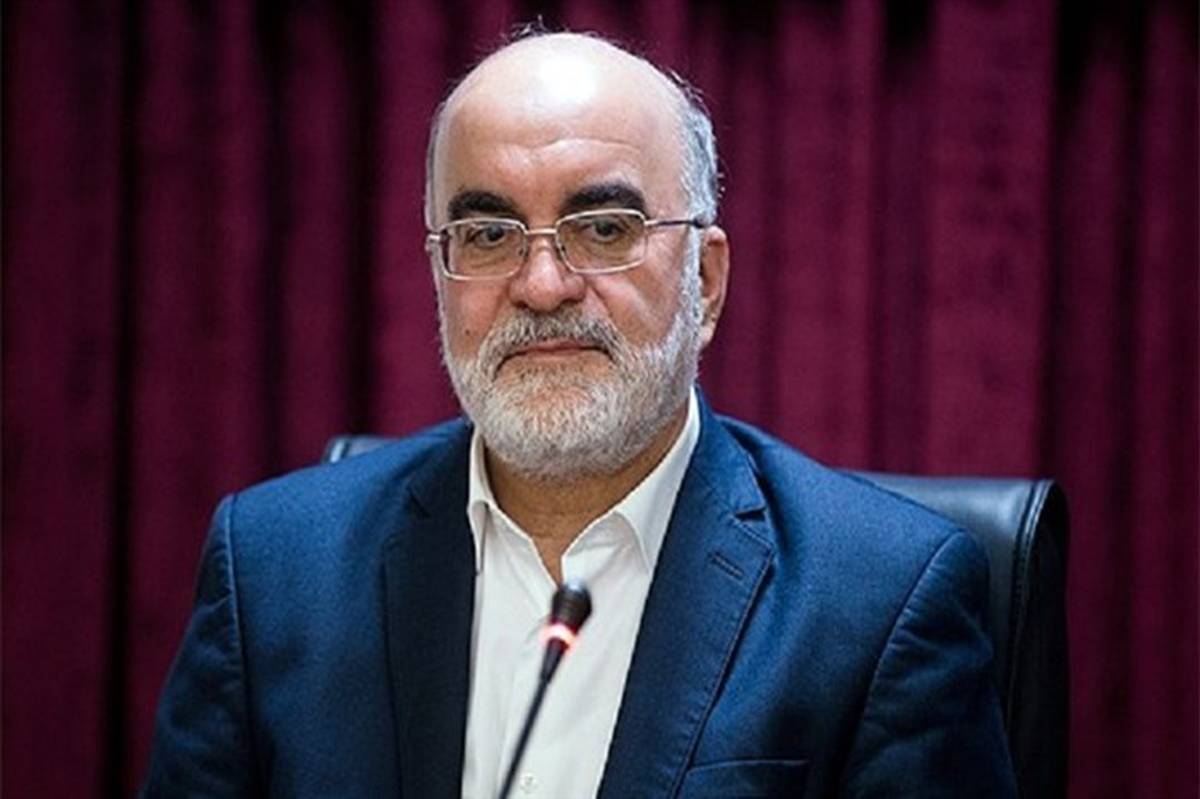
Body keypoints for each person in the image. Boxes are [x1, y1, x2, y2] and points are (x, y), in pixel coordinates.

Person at [143, 30, 1015, 798]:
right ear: (440, 278)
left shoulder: (879, 600)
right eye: (489, 236)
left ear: (706, 283)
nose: (542, 285)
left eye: (603, 228)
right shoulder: (272, 571)